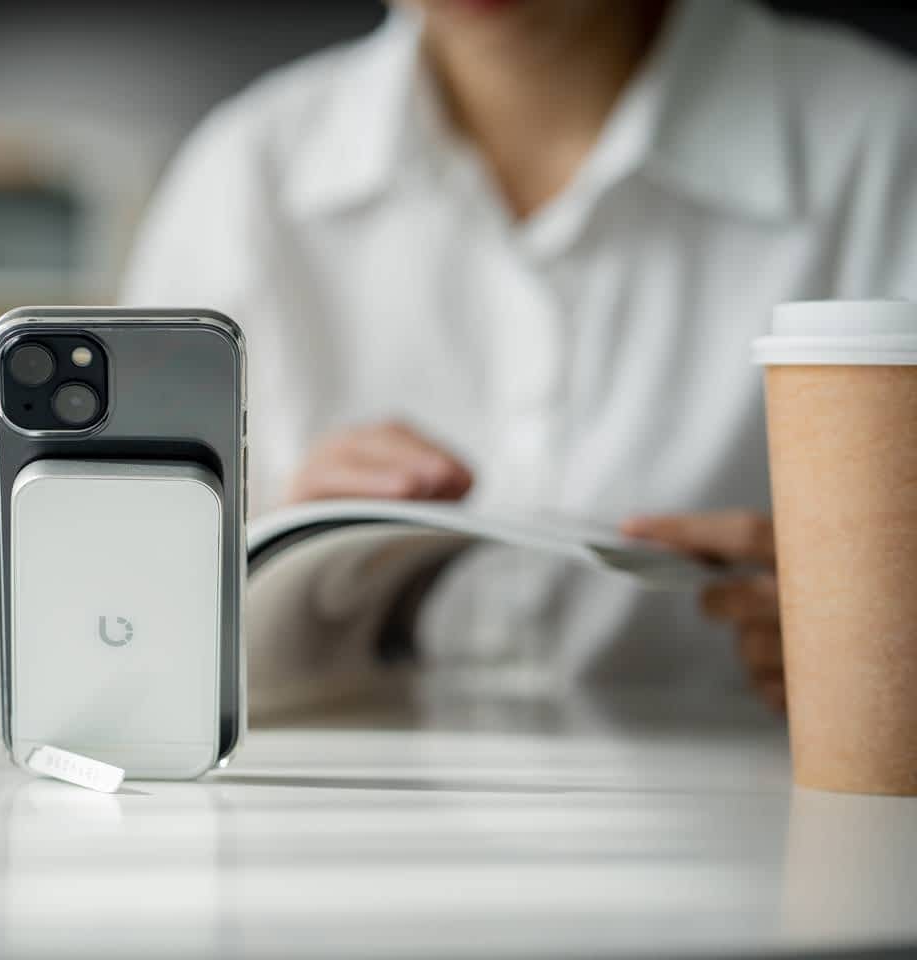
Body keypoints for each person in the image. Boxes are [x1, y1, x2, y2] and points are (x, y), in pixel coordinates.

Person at [122, 0, 917, 710]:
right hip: (332, 805)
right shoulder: (243, 173)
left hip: (766, 806)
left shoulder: (884, 149)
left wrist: (883, 641)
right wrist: (280, 565)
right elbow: (125, 623)